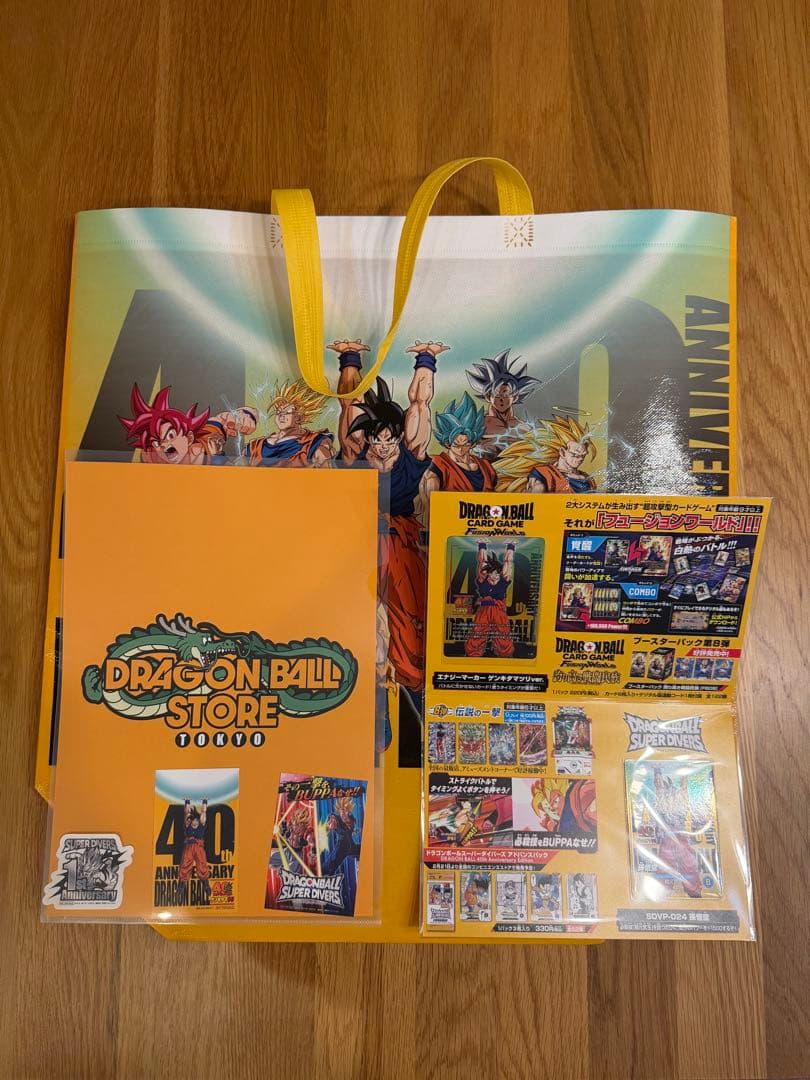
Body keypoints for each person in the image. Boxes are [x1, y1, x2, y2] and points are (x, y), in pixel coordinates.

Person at [331, 338, 445, 726]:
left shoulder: (410, 455)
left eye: (388, 440)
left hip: (400, 548)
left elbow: (420, 404)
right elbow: (349, 403)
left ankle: (425, 706)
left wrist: (426, 361)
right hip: (357, 545)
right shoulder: (356, 453)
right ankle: (365, 713)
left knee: (410, 630)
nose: (382, 447)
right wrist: (349, 359)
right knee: (354, 630)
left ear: (397, 437)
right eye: (376, 440)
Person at [418, 392, 497, 517]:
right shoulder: (439, 467)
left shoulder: (486, 467)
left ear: (473, 442)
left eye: (466, 444)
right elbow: (431, 509)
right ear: (448, 443)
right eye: (456, 444)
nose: (461, 449)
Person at [465, 349, 541, 460]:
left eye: (506, 395)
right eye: (497, 395)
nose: (501, 400)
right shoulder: (477, 424)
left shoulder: (524, 427)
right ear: (488, 397)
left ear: (515, 397)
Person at [496, 414, 597, 493]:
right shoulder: (544, 474)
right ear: (562, 452)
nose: (580, 459)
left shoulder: (587, 478)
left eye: (583, 455)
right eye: (575, 455)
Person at [243, 379, 333, 466]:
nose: (281, 416)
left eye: (286, 413)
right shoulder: (255, 446)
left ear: (299, 418)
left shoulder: (314, 443)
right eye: (278, 412)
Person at [118, 384, 209, 464]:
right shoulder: (152, 457)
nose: (163, 445)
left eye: (171, 435)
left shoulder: (200, 454)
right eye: (156, 443)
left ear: (189, 438)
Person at [464, 542, 515, 658]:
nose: (496, 576)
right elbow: (482, 562)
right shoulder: (483, 580)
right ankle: (473, 654)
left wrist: (511, 547)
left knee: (502, 632)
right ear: (489, 573)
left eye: (498, 573)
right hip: (484, 611)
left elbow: (508, 563)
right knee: (478, 631)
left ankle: (505, 654)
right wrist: (482, 546)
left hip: (498, 611)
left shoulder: (503, 581)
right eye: (494, 573)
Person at [179, 798, 210, 905]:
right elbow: (187, 813)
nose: (195, 822)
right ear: (191, 821)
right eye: (193, 820)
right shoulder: (188, 824)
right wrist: (187, 802)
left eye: (196, 820)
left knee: (202, 865)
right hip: (189, 847)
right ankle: (181, 885)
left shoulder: (201, 825)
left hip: (199, 847)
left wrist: (204, 801)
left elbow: (203, 812)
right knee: (185, 864)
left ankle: (206, 884)